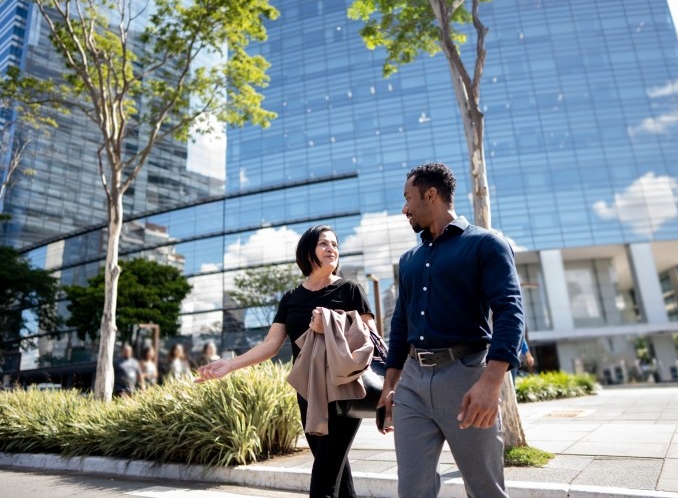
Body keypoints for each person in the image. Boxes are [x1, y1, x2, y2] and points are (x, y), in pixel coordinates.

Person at [196, 225, 376, 498]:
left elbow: (370, 339)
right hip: (308, 393)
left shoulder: (350, 289)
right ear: (308, 251)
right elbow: (270, 345)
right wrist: (229, 365)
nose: (332, 249)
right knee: (337, 471)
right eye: (324, 244)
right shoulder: (292, 298)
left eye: (335, 245)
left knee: (324, 480)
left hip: (344, 390)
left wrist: (328, 326)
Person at [380, 163, 524, 498]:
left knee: (485, 488)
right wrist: (391, 387)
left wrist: (491, 383)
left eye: (408, 198)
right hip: (413, 382)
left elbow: (510, 311)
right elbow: (400, 323)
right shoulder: (409, 260)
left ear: (430, 195)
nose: (404, 208)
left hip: (467, 377)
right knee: (412, 490)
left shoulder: (486, 244)